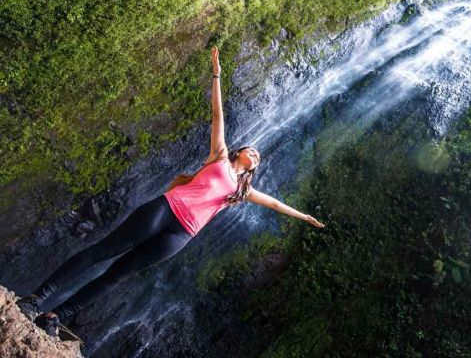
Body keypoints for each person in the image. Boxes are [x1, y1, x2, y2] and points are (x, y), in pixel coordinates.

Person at [15, 46, 326, 338]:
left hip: (180, 236)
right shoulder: (219, 155)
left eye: (258, 156)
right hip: (164, 210)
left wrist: (304, 216)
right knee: (102, 252)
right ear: (240, 151)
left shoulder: (242, 190)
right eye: (252, 150)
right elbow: (217, 116)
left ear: (253, 167)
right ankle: (36, 297)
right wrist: (216, 74)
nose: (255, 154)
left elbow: (272, 202)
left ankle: (54, 316)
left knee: (116, 275)